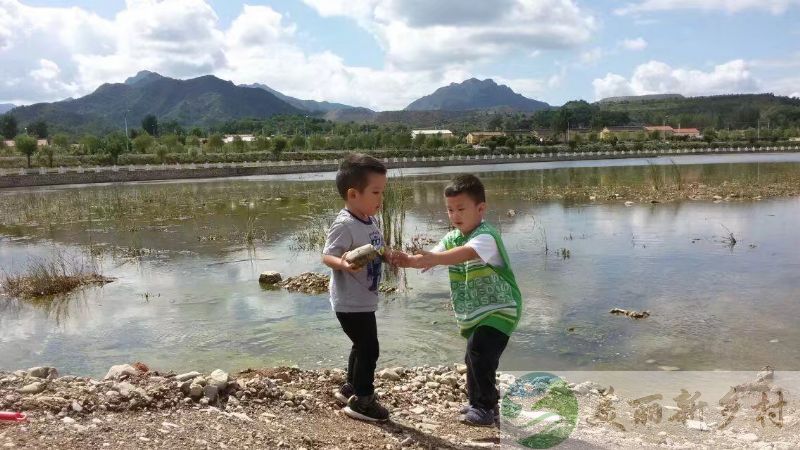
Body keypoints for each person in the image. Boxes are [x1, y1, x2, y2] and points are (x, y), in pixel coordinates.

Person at [400, 174, 522, 427]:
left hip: (501, 308)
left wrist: (435, 259)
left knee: (479, 352)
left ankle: (484, 408)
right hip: (477, 311)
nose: (455, 215)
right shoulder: (452, 237)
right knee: (473, 356)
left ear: (481, 208)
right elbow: (432, 256)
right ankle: (481, 401)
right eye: (450, 210)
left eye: (461, 209)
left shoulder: (486, 236)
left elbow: (463, 254)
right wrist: (406, 260)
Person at [321, 153, 400, 422]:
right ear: (353, 194)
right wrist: (342, 264)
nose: (381, 199)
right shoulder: (345, 223)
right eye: (375, 192)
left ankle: (351, 388)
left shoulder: (370, 219)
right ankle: (363, 401)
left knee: (360, 344)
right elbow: (327, 255)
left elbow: (377, 248)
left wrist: (388, 256)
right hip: (349, 302)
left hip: (363, 299)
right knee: (369, 347)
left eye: (382, 192)